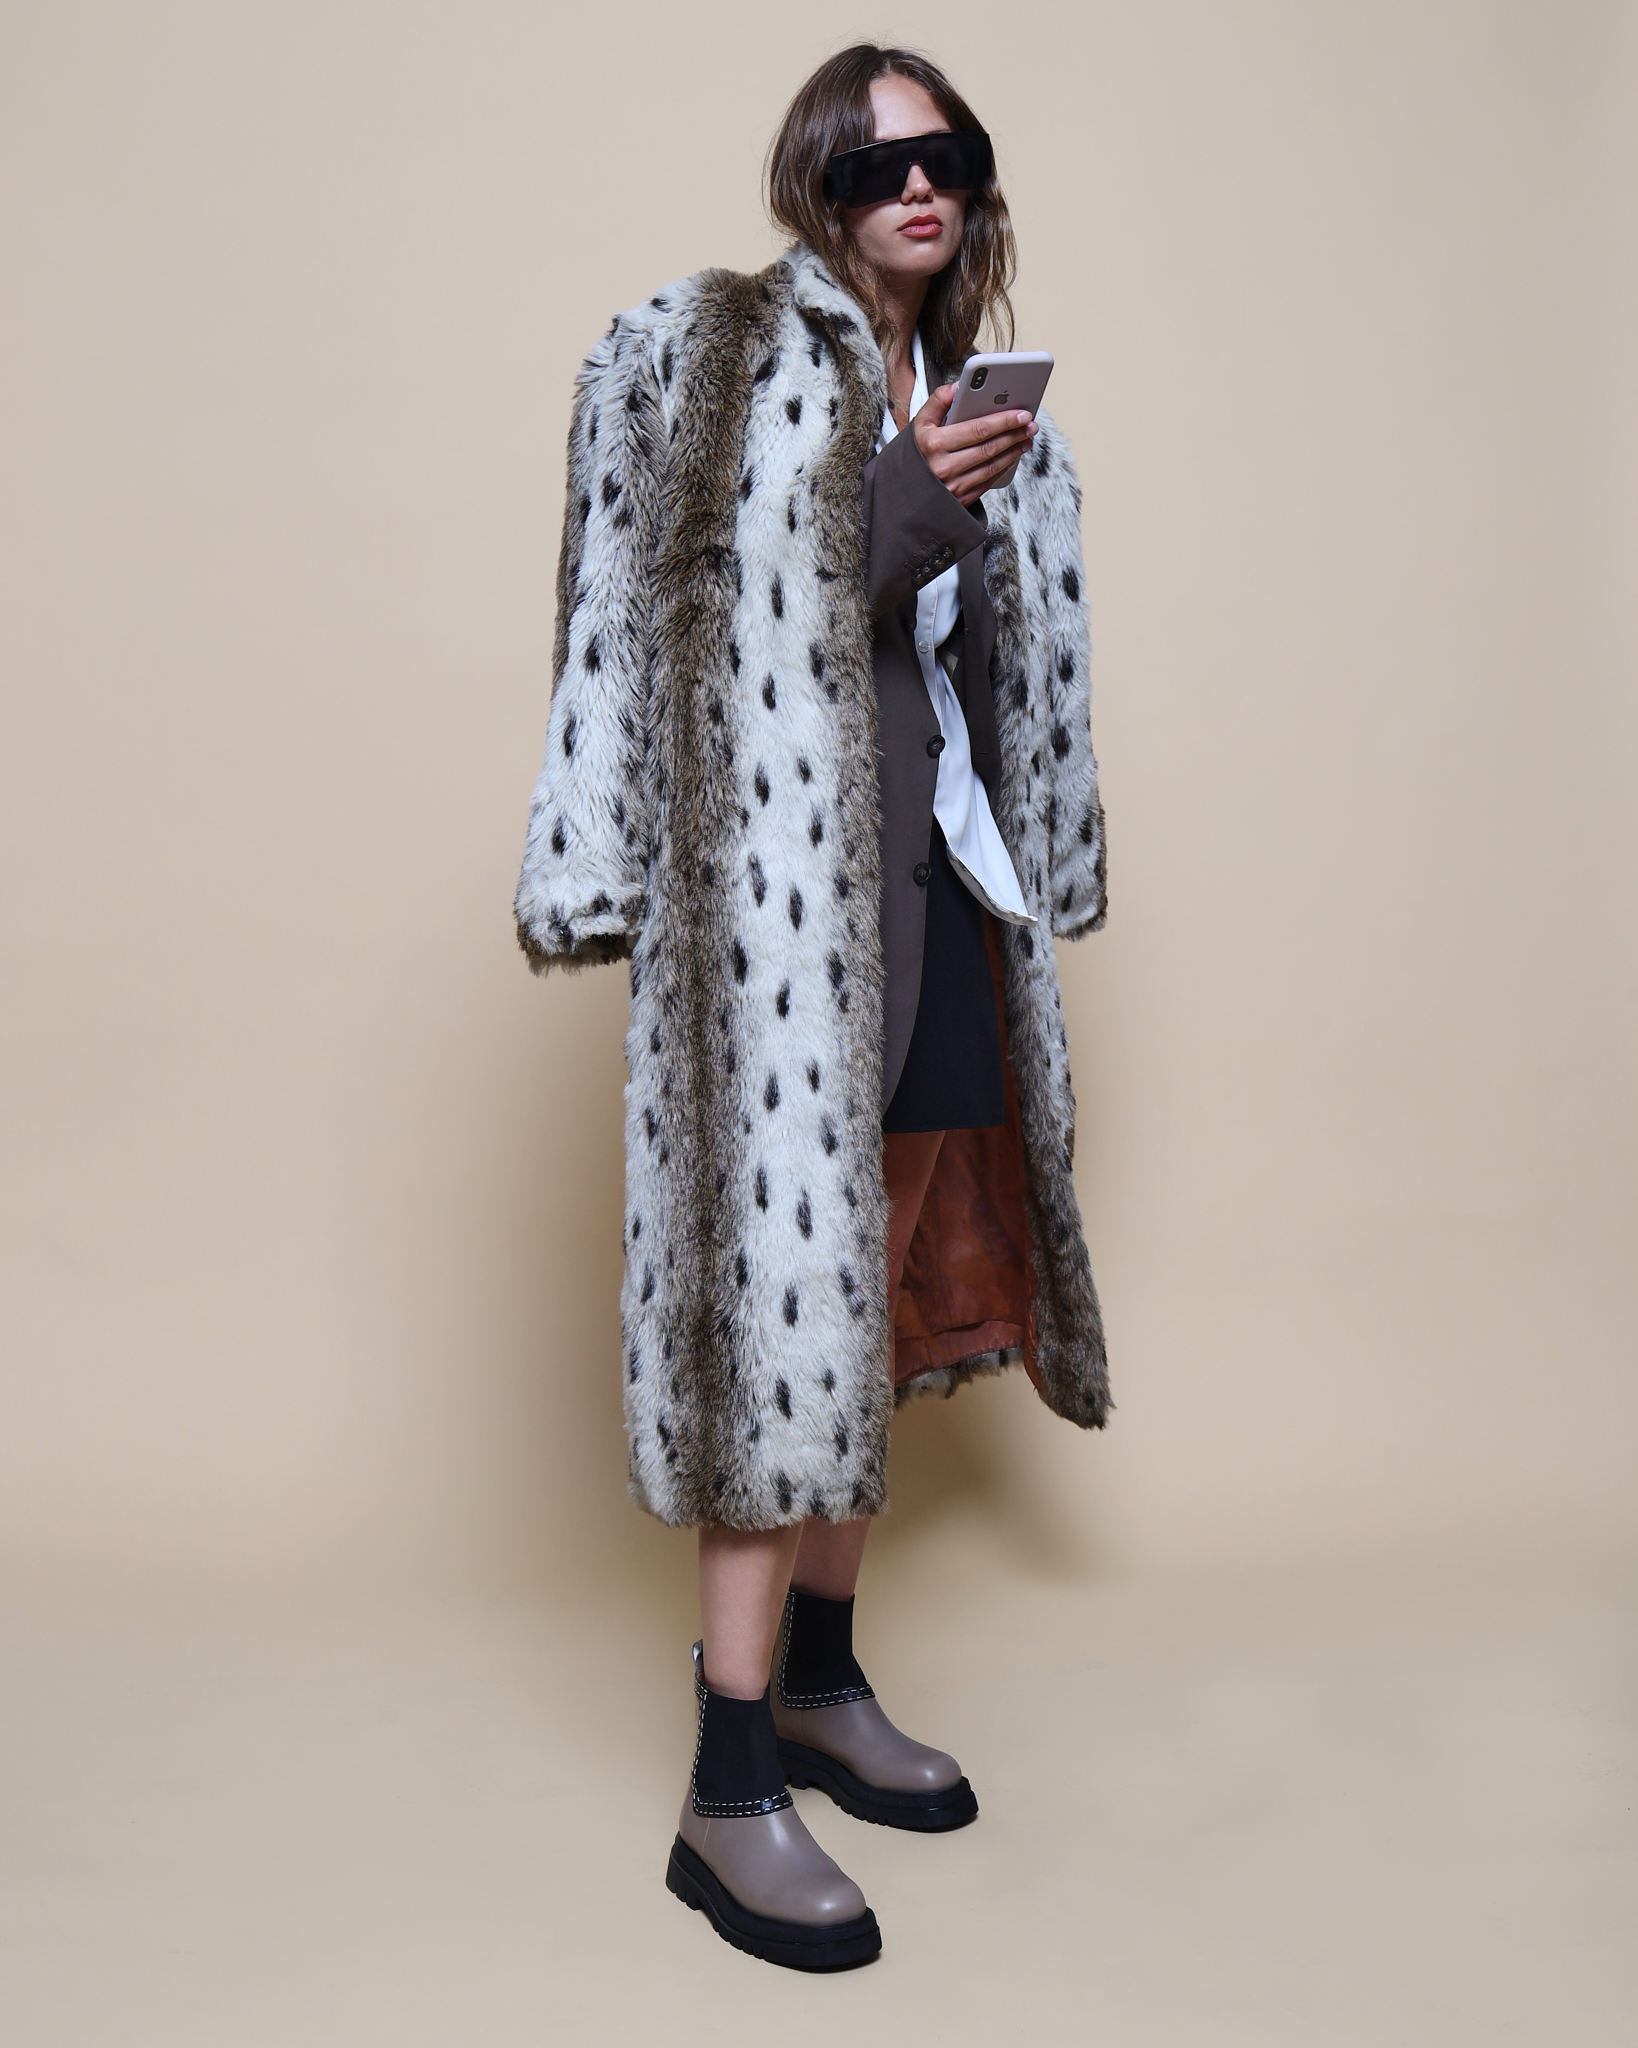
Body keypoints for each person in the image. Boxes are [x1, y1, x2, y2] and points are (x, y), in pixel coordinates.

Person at [515, 42, 1109, 1969]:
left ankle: (828, 1689)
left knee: (884, 1300)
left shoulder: (987, 406)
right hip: (778, 928)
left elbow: (1009, 674)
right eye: (871, 163)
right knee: (780, 1321)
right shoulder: (701, 358)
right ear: (814, 188)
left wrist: (976, 512)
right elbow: (682, 626)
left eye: (947, 156)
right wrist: (908, 503)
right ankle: (727, 1785)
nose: (914, 188)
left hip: (949, 899)